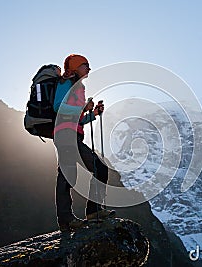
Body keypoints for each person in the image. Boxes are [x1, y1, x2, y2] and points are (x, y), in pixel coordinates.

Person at [53, 54, 115, 232]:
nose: (89, 68)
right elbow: (58, 106)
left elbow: (76, 119)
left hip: (71, 134)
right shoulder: (66, 82)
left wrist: (93, 114)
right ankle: (88, 213)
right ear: (75, 66)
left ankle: (73, 218)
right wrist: (83, 108)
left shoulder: (78, 87)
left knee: (69, 175)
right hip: (66, 135)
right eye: (85, 65)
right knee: (93, 169)